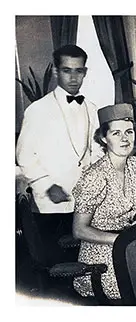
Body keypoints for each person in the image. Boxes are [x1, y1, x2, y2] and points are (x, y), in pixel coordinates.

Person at [16, 44, 103, 265]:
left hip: (84, 204)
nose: (73, 77)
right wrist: (46, 185)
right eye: (67, 70)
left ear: (85, 72)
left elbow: (96, 151)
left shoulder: (91, 109)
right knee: (56, 266)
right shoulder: (38, 110)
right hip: (50, 205)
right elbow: (24, 155)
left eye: (79, 71)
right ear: (56, 71)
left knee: (85, 261)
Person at [72, 103, 136, 300]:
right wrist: (121, 240)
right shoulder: (95, 176)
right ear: (104, 138)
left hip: (130, 246)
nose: (125, 139)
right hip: (100, 258)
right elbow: (79, 230)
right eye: (116, 133)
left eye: (129, 132)